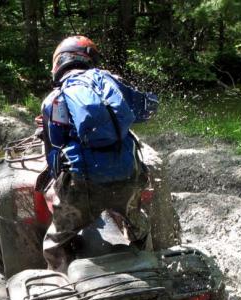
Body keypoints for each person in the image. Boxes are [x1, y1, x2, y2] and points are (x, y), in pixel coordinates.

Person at [39, 35, 159, 272]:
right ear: (90, 59)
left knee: (56, 240)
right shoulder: (109, 83)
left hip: (82, 185)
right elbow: (147, 110)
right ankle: (152, 266)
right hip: (127, 176)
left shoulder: (54, 99)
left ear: (59, 63)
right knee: (138, 225)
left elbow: (54, 154)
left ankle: (60, 282)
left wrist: (58, 184)